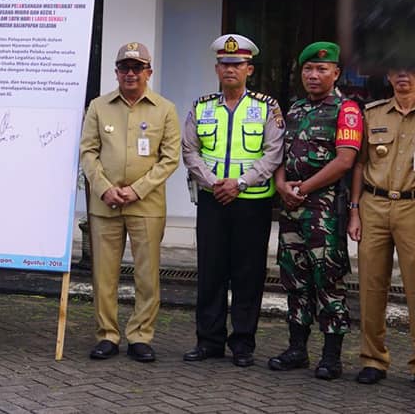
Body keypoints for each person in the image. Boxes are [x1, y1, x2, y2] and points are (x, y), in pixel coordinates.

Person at [181, 35, 285, 367]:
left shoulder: (266, 107)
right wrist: (214, 183)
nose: (230, 70)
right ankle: (209, 341)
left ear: (249, 69)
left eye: (237, 64)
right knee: (210, 272)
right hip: (213, 202)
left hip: (252, 202)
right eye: (224, 64)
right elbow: (190, 150)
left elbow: (274, 153)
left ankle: (242, 343)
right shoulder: (201, 107)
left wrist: (239, 183)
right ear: (216, 68)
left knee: (248, 274)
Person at [80, 42, 180, 363]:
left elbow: (169, 158)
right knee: (104, 275)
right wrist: (104, 188)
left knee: (146, 275)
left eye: (138, 68)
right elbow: (88, 152)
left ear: (149, 72)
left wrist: (136, 190)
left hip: (146, 206)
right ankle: (107, 335)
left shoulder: (165, 109)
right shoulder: (98, 106)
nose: (131, 74)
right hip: (105, 205)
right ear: (116, 72)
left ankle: (140, 336)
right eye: (125, 68)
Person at [270, 41, 360, 380]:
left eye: (322, 69)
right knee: (294, 280)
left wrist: (303, 189)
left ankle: (331, 356)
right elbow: (278, 155)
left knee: (328, 282)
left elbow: (345, 161)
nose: (313, 74)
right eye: (308, 69)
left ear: (335, 72)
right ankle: (297, 349)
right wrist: (281, 185)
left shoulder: (347, 110)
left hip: (324, 212)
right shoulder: (293, 110)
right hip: (291, 210)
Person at [347, 61, 415, 385]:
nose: (404, 75)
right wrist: (354, 210)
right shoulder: (371, 114)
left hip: (412, 207)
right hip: (373, 206)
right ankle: (373, 359)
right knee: (371, 286)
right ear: (388, 76)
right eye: (398, 69)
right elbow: (359, 165)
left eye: (411, 69)